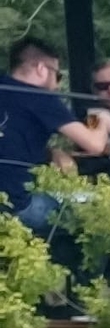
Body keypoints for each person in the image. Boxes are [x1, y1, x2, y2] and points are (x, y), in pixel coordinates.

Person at [0, 36, 75, 216]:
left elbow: (14, 140)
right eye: (57, 76)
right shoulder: (41, 97)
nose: (57, 85)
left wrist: (51, 152)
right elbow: (94, 144)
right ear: (41, 69)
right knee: (90, 208)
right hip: (18, 206)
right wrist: (103, 120)